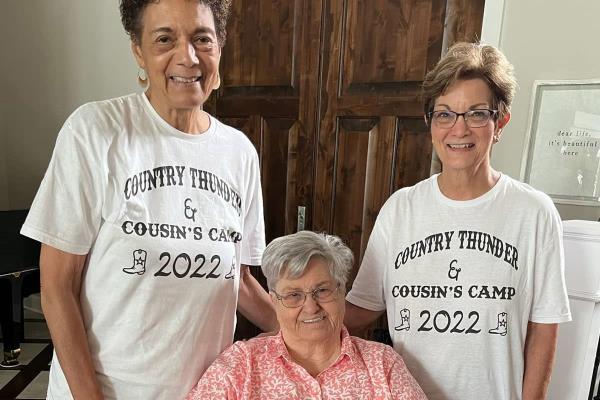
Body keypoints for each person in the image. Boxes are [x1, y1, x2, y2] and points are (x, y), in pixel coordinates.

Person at [20, 0, 276, 398]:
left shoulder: (239, 152)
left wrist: (314, 329)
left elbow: (238, 282)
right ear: (138, 50)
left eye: (202, 39)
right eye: (164, 39)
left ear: (220, 48)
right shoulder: (95, 131)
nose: (187, 57)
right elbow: (57, 286)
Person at [344, 42, 571, 400]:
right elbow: (361, 309)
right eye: (445, 114)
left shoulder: (534, 213)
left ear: (500, 122)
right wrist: (294, 319)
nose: (459, 129)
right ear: (430, 123)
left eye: (477, 113)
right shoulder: (400, 209)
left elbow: (544, 329)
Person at [187, 231, 427, 400]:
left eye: (322, 290)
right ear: (274, 301)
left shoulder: (382, 364)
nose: (311, 307)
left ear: (343, 291)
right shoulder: (240, 365)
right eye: (293, 295)